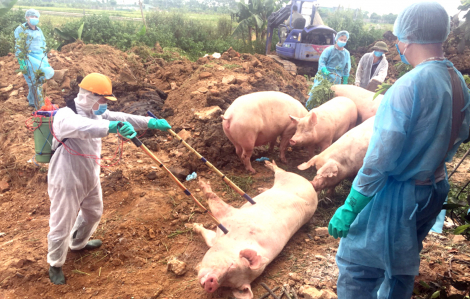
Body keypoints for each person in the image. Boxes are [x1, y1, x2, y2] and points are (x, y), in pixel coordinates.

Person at [328, 2, 470, 298]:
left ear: (407, 38)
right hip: (433, 188)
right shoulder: (457, 81)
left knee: (359, 265)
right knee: (400, 265)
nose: (397, 44)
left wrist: (352, 205)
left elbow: (380, 158)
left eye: (398, 38)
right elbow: (462, 133)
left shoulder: (407, 86)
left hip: (399, 196)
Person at [47, 73, 172, 285]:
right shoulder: (64, 115)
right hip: (67, 175)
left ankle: (78, 244)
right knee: (62, 220)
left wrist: (151, 122)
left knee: (94, 212)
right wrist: (111, 128)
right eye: (103, 99)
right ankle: (55, 263)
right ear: (88, 96)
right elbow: (82, 128)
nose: (105, 105)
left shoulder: (97, 114)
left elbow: (124, 118)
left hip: (89, 173)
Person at [14, 9, 68, 108]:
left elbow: (43, 44)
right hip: (28, 57)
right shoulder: (21, 29)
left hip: (40, 57)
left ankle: (31, 101)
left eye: (36, 17)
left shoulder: (39, 30)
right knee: (34, 81)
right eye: (32, 16)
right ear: (27, 17)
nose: (34, 18)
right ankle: (40, 105)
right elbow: (19, 45)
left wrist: (45, 58)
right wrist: (22, 61)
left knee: (40, 78)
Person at [306, 31, 351, 109]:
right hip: (324, 76)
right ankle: (308, 110)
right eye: (341, 39)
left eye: (344, 40)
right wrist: (324, 70)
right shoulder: (329, 50)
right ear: (337, 39)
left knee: (332, 97)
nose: (343, 41)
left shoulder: (346, 53)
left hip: (337, 79)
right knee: (316, 93)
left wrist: (345, 79)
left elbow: (347, 67)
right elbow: (322, 61)